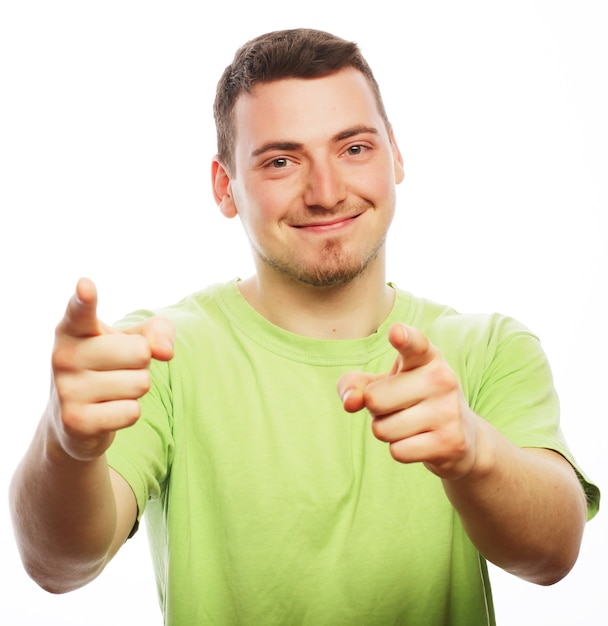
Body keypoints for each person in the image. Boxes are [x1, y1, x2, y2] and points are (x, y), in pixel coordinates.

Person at [9, 28, 599, 626]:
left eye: (354, 149)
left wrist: (476, 454)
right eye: (281, 161)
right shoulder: (155, 353)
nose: (325, 192)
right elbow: (58, 566)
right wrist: (65, 445)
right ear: (225, 187)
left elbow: (553, 556)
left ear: (395, 154)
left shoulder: (490, 348)